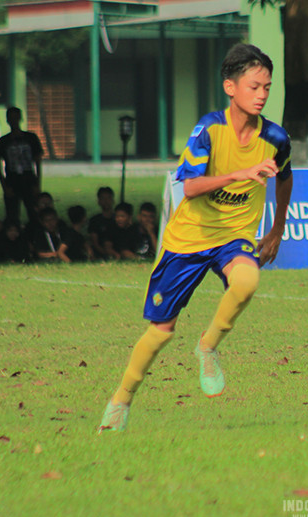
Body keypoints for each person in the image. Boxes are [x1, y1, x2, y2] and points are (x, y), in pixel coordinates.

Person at [98, 43, 293, 434]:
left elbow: (285, 176)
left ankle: (208, 346)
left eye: (267, 88)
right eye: (254, 86)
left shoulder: (275, 137)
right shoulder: (208, 130)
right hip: (188, 238)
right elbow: (189, 187)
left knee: (247, 281)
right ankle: (121, 400)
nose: (262, 95)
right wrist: (237, 174)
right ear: (230, 87)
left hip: (233, 235)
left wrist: (277, 228)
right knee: (160, 331)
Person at [0, 106, 44, 224]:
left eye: (16, 118)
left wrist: (37, 184)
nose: (14, 121)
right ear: (7, 120)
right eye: (11, 118)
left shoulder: (31, 138)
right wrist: (4, 186)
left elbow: (38, 162)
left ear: (20, 118)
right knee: (12, 215)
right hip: (12, 181)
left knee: (34, 214)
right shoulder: (3, 141)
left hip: (29, 180)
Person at [88, 186, 116, 259]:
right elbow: (95, 243)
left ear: (113, 200)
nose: (106, 201)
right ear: (99, 201)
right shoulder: (94, 220)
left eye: (108, 198)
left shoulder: (118, 219)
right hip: (100, 253)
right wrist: (106, 254)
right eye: (103, 198)